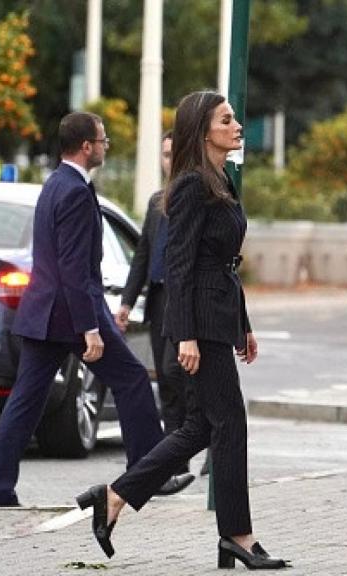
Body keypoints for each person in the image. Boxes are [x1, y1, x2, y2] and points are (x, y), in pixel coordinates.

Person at [75, 91, 288, 570]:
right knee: (229, 424)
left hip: (219, 316)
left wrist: (245, 324)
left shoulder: (221, 178)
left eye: (235, 118)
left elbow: (225, 264)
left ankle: (113, 496)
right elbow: (179, 263)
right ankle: (238, 536)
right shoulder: (191, 185)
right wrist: (185, 334)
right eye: (227, 120)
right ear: (203, 131)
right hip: (200, 323)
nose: (237, 127)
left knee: (198, 428)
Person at [0, 112, 194, 507]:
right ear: (86, 146)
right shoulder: (76, 192)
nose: (106, 146)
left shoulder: (54, 183)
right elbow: (74, 268)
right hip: (73, 314)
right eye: (103, 140)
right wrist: (89, 328)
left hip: (43, 314)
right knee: (131, 379)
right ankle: (149, 475)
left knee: (24, 403)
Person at [116, 132, 190, 477]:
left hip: (184, 298)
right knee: (165, 377)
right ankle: (175, 459)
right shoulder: (156, 200)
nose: (168, 161)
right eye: (163, 154)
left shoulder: (194, 197)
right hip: (159, 298)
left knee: (176, 372)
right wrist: (127, 302)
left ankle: (192, 445)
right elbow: (143, 254)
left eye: (173, 154)